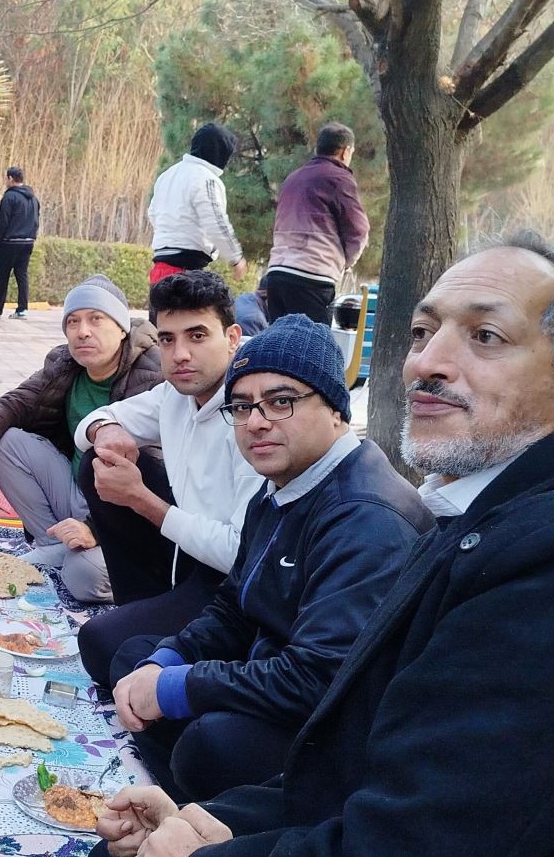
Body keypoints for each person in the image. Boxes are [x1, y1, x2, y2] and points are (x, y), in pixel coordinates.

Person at [94, 233, 554, 857]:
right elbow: (365, 758)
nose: (426, 363)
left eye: (486, 336)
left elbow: (427, 832)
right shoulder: (471, 519)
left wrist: (208, 849)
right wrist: (217, 821)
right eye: (423, 333)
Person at [106, 315, 431, 803]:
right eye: (241, 406)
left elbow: (318, 679)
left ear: (335, 409)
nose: (256, 422)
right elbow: (235, 605)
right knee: (136, 660)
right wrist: (171, 660)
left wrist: (182, 687)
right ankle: (183, 790)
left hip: (341, 725)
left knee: (208, 744)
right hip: (275, 668)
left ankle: (200, 813)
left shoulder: (366, 518)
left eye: (281, 402)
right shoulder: (283, 484)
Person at [72, 271, 264, 687]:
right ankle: (141, 607)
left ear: (232, 338)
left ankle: (182, 648)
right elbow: (92, 422)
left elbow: (241, 555)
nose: (180, 354)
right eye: (167, 339)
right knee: (100, 460)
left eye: (197, 336)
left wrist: (142, 500)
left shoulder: (253, 413)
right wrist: (106, 430)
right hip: (183, 552)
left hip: (231, 585)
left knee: (100, 645)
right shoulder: (174, 394)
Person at [0, 276, 160, 603]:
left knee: (85, 578)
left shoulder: (153, 373)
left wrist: (94, 528)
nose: (82, 331)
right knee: (6, 440)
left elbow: (160, 476)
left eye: (96, 319)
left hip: (129, 514)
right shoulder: (65, 365)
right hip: (76, 491)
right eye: (73, 322)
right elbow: (13, 403)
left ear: (121, 328)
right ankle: (53, 544)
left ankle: (102, 563)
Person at [262, 123, 370, 325]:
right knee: (313, 341)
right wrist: (346, 262)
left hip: (277, 273)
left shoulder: (292, 178)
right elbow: (359, 229)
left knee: (280, 339)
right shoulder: (338, 178)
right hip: (312, 276)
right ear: (345, 151)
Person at [147, 123, 247, 285]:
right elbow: (215, 221)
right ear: (220, 152)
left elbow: (153, 212)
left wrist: (171, 233)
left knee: (162, 302)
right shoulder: (207, 179)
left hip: (160, 267)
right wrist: (236, 258)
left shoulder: (167, 175)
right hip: (187, 269)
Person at [0, 166, 40, 319]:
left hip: (10, 242)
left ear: (11, 178)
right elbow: (36, 220)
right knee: (22, 274)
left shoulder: (9, 197)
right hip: (28, 241)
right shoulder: (33, 198)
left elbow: (3, 221)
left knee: (2, 275)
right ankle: (22, 308)